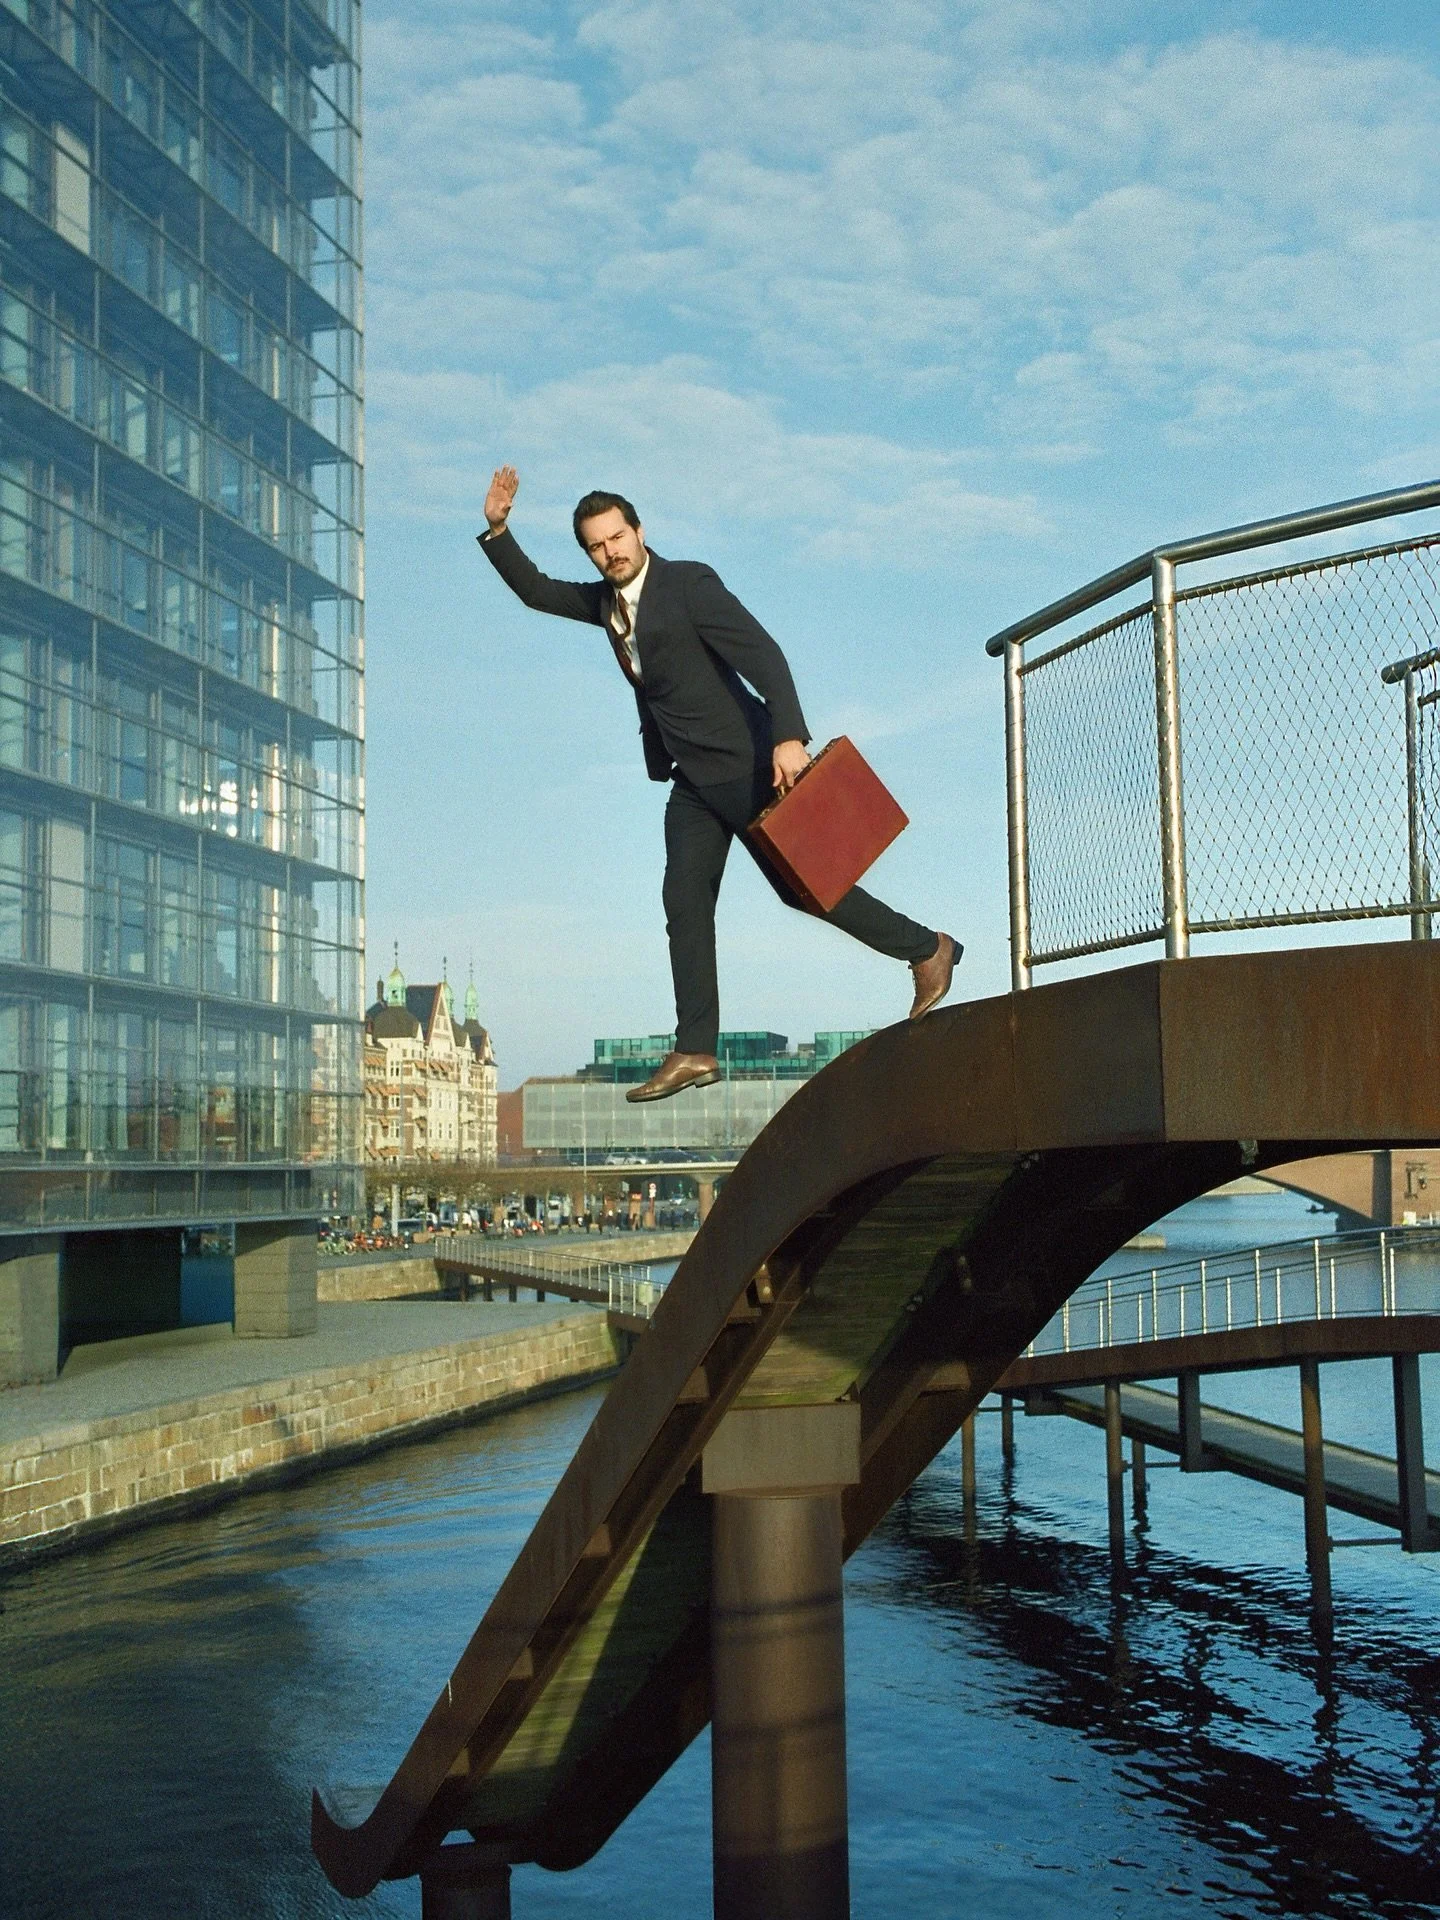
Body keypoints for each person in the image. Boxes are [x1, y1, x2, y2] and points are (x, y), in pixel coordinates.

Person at [477, 466, 960, 1103]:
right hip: (692, 782)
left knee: (809, 888)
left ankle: (929, 948)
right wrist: (499, 530)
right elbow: (536, 591)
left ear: (639, 531)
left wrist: (789, 734)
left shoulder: (687, 583)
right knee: (683, 899)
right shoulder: (605, 604)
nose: (610, 552)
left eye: (617, 537)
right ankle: (696, 1048)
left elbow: (763, 653)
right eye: (596, 545)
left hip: (748, 763)